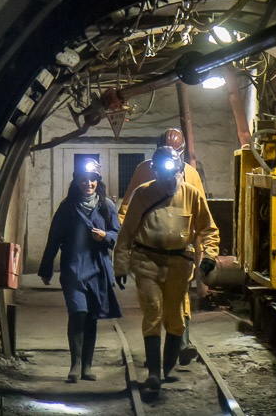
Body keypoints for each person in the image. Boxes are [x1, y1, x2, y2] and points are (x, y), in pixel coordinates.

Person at [113, 146, 219, 392]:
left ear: (180, 170)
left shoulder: (191, 194)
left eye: (174, 172)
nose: (170, 178)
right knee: (153, 311)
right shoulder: (143, 194)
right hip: (146, 261)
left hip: (178, 265)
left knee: (175, 317)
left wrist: (210, 255)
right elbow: (126, 233)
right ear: (155, 171)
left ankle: (168, 367)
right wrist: (120, 266)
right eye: (164, 173)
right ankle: (153, 373)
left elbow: (208, 229)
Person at [118, 127, 204, 366]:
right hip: (148, 255)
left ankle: (181, 345)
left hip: (179, 254)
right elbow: (127, 210)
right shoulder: (144, 171)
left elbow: (200, 215)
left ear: (181, 153)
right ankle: (156, 361)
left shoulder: (190, 175)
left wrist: (201, 253)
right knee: (153, 307)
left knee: (179, 301)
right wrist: (130, 241)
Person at [38, 159, 122, 383]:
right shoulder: (67, 207)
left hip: (98, 269)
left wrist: (106, 237)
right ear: (76, 182)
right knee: (78, 313)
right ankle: (75, 364)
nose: (88, 183)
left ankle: (87, 366)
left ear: (98, 181)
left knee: (92, 317)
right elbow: (54, 238)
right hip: (73, 269)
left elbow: (118, 234)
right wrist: (46, 268)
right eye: (84, 180)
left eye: (92, 179)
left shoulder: (106, 206)